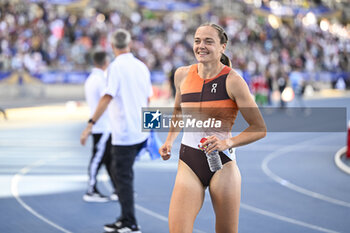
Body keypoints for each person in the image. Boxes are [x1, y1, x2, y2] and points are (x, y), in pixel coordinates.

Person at [159, 23, 266, 233]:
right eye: (197, 41)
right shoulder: (181, 75)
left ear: (222, 47)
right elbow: (178, 112)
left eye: (209, 41)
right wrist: (169, 141)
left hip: (223, 164)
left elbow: (259, 128)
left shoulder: (233, 81)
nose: (201, 46)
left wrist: (227, 142)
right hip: (189, 161)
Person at [80, 29, 152, 233]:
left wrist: (90, 123)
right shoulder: (142, 67)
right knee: (117, 169)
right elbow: (148, 99)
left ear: (112, 47)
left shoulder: (115, 68)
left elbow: (107, 96)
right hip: (139, 131)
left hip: (124, 133)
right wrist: (151, 130)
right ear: (129, 44)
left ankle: (130, 222)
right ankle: (125, 217)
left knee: (122, 175)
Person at [82, 51, 117, 202]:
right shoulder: (100, 80)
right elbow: (106, 99)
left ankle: (117, 188)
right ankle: (91, 190)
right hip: (102, 126)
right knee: (98, 158)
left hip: (102, 125)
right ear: (105, 63)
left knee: (108, 159)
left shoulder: (91, 79)